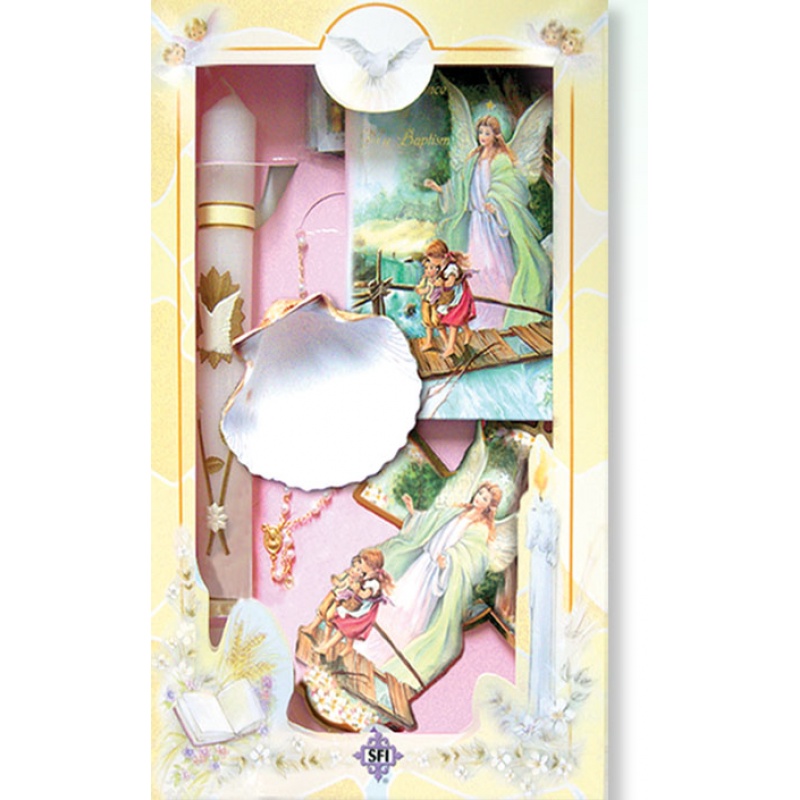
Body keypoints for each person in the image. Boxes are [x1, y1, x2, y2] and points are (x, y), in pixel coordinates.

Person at [354, 482, 503, 687]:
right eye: (479, 493)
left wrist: (448, 560)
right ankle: (364, 646)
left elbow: (475, 559)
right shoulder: (459, 510)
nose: (479, 498)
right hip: (422, 565)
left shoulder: (481, 529)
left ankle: (379, 660)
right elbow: (431, 522)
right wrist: (412, 512)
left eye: (485, 498)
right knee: (396, 602)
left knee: (411, 615)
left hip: (436, 575)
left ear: (490, 506)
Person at [425, 115, 551, 330]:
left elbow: (511, 186)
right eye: (480, 132)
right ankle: (477, 317)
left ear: (495, 135)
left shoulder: (501, 159)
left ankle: (499, 318)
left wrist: (496, 203)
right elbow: (460, 185)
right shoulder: (473, 158)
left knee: (494, 266)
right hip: (477, 223)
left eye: (487, 133)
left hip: (493, 223)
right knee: (476, 267)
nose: (482, 136)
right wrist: (441, 189)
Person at [314, 549, 394, 657]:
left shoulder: (374, 582)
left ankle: (326, 648)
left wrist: (357, 590)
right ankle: (347, 647)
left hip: (364, 611)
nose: (360, 564)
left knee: (344, 628)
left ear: (370, 565)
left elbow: (365, 595)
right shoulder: (365, 575)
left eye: (362, 562)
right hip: (356, 605)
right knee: (346, 625)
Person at [422, 239, 476, 358]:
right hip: (451, 296)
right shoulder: (442, 265)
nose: (430, 261)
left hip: (459, 296)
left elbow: (450, 283)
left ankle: (450, 348)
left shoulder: (451, 268)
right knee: (458, 318)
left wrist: (440, 283)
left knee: (453, 321)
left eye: (431, 258)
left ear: (438, 257)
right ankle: (468, 332)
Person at [414, 255, 445, 352]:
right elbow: (418, 289)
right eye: (426, 268)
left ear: (437, 269)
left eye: (431, 268)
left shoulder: (439, 280)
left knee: (437, 322)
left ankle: (447, 342)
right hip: (426, 303)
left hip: (436, 304)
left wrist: (437, 284)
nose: (428, 270)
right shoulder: (425, 279)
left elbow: (443, 289)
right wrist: (423, 290)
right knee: (427, 322)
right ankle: (429, 342)